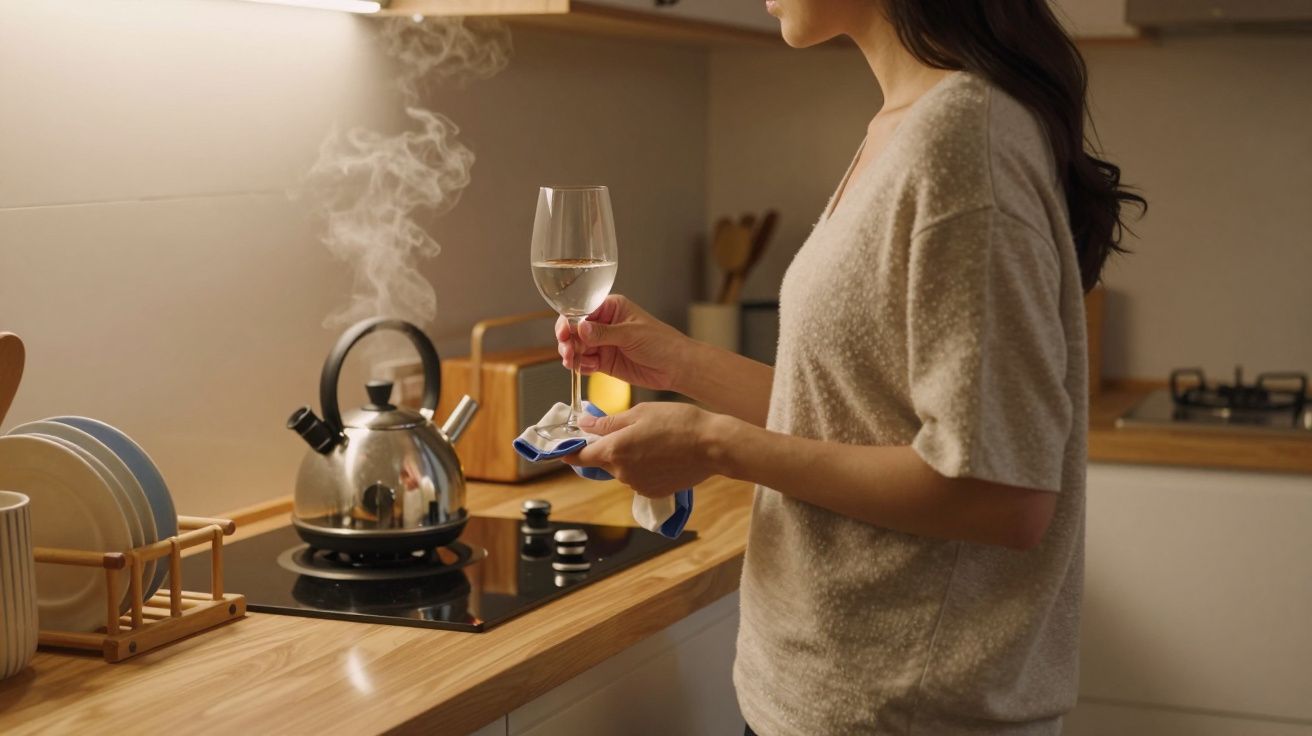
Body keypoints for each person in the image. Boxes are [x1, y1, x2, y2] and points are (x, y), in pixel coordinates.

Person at [554, 0, 1144, 733]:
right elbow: (858, 414)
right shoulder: (909, 123)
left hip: (897, 711)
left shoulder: (963, 139)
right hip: (826, 697)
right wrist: (677, 361)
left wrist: (713, 445)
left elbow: (1003, 495)